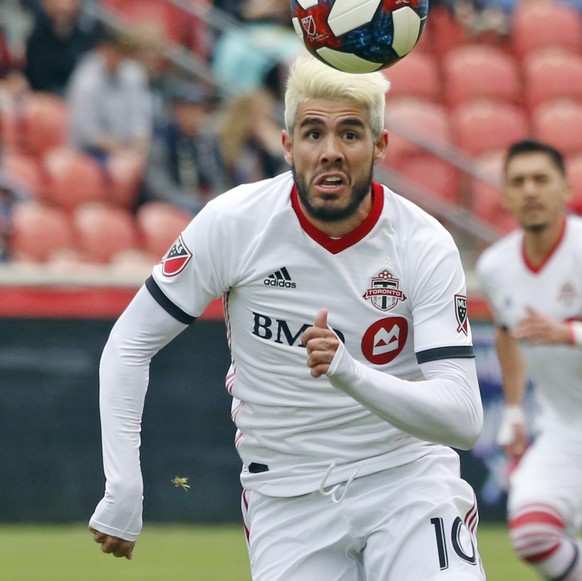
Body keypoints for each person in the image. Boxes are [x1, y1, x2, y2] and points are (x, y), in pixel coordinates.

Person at [89, 55, 485, 580]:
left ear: (380, 146)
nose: (330, 153)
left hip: (407, 477)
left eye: (350, 134)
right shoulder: (234, 223)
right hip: (286, 494)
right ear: (286, 144)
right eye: (313, 133)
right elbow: (129, 344)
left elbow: (463, 418)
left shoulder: (423, 242)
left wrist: (350, 372)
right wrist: (124, 484)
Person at [476, 139, 582, 581]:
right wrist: (516, 409)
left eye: (542, 179)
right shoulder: (496, 265)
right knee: (532, 534)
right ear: (504, 194)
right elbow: (506, 330)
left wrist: (569, 333)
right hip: (566, 427)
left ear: (566, 188)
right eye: (518, 182)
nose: (530, 190)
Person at [66, 25, 152, 166]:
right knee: (112, 167)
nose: (120, 56)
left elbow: (140, 118)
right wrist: (121, 150)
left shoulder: (134, 73)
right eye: (116, 50)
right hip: (89, 151)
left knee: (155, 159)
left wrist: (138, 145)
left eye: (124, 52)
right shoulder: (86, 79)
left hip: (127, 147)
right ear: (103, 49)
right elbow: (88, 132)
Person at [141, 79, 227, 215]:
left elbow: (217, 179)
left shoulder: (207, 142)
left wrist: (216, 200)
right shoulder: (161, 140)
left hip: (202, 204)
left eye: (200, 109)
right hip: (171, 209)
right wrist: (193, 204)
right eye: (189, 108)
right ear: (176, 110)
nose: (195, 115)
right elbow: (158, 186)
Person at [23, 0, 103, 96]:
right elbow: (34, 76)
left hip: (81, 96)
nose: (62, 7)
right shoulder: (36, 33)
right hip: (44, 97)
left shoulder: (89, 32)